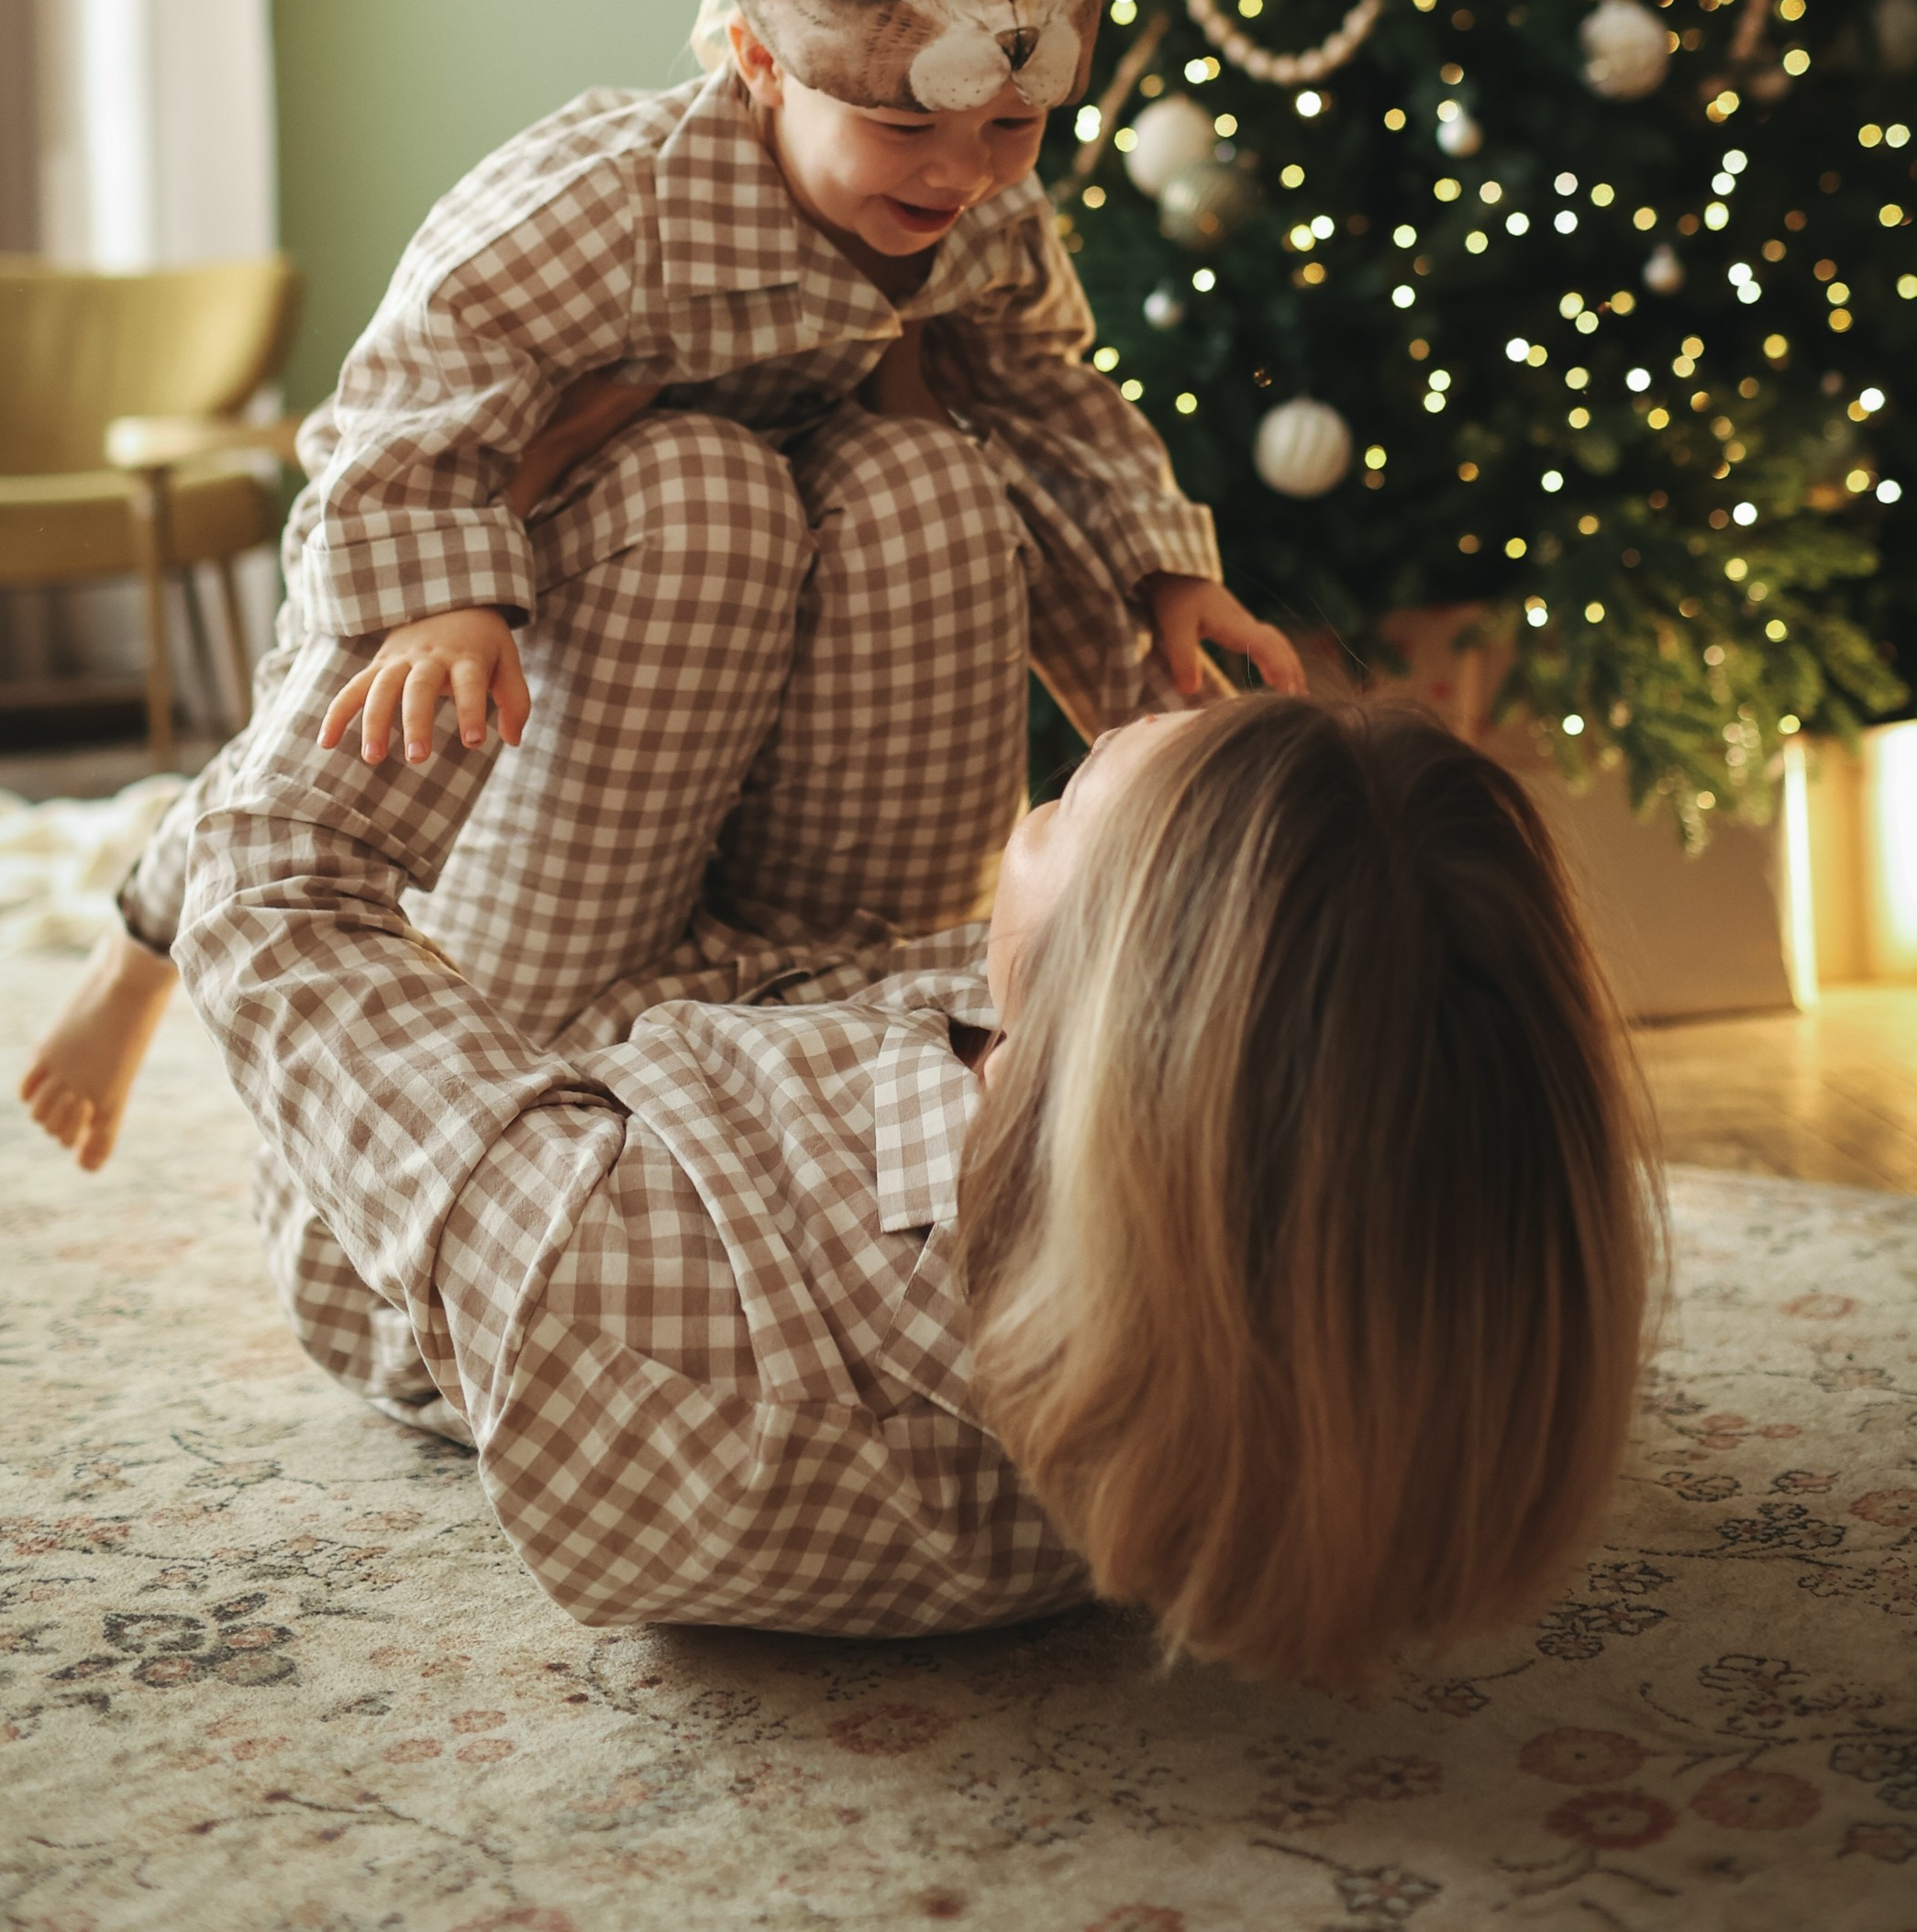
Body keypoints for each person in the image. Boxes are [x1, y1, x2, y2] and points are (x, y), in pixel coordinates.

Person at [21, 0, 1297, 1172]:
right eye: (904, 122)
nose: (960, 175)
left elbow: (1047, 403)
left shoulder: (977, 216)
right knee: (623, 536)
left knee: (931, 484)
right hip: (529, 525)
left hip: (788, 576)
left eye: (1012, 125)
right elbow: (401, 402)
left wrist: (1160, 571)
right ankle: (145, 955)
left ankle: (831, 994)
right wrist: (445, 596)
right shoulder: (606, 203)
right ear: (761, 57)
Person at [170, 680, 1657, 1680]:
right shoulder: (1258, 1284)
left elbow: (263, 895)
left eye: (1065, 807)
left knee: (679, 493)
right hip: (746, 1012)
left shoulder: (655, 1276)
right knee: (904, 484)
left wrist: (397, 605)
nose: (1058, 782)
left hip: (466, 1140)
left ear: (1106, 1027)